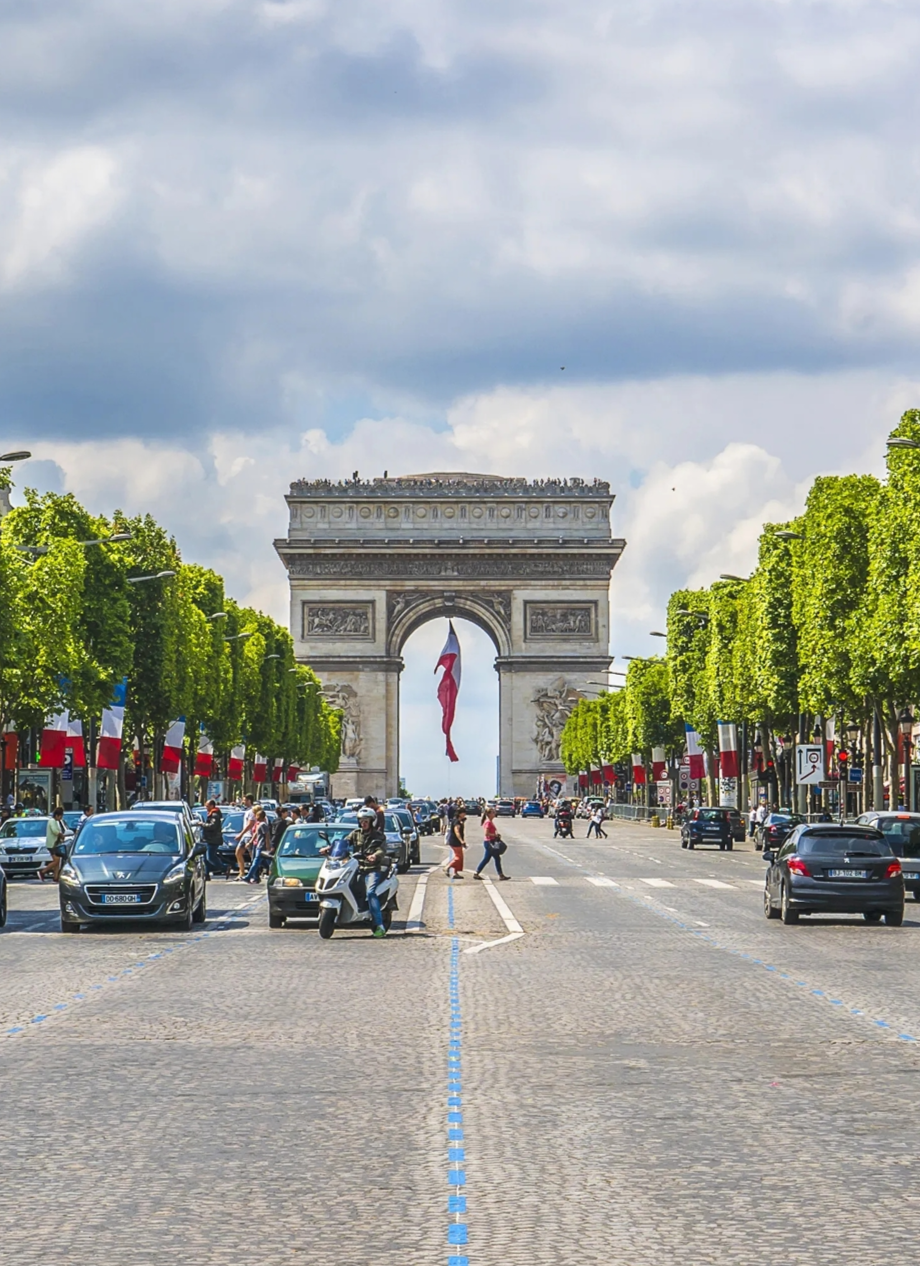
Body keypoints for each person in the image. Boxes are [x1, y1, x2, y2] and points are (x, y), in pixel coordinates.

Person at [345, 806, 390, 937]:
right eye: (361, 821)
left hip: (371, 869)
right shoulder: (355, 833)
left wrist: (375, 856)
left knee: (370, 892)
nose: (363, 823)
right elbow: (344, 842)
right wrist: (330, 848)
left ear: (372, 822)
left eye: (366, 821)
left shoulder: (379, 836)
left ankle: (379, 924)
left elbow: (382, 849)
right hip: (356, 868)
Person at [474, 807, 509, 880]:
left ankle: (476, 873)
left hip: (493, 842)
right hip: (490, 842)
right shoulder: (488, 822)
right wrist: (495, 835)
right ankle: (501, 875)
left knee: (487, 859)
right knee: (497, 858)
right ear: (489, 814)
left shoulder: (490, 821)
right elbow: (486, 833)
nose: (494, 813)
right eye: (493, 812)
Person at [245, 806, 275, 883]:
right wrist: (251, 842)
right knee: (268, 862)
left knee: (256, 862)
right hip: (259, 845)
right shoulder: (259, 824)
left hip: (262, 846)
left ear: (261, 817)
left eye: (257, 816)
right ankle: (274, 873)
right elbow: (256, 834)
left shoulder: (263, 824)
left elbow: (267, 835)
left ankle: (248, 876)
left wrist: (268, 845)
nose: (255, 817)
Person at [38, 806, 67, 882]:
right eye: (60, 816)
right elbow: (55, 831)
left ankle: (56, 877)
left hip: (55, 844)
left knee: (58, 861)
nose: (61, 818)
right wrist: (61, 835)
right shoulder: (52, 821)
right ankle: (43, 871)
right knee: (56, 861)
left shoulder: (56, 822)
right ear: (57, 815)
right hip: (52, 845)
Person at [201, 799, 226, 877]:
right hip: (208, 839)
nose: (206, 808)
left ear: (212, 806)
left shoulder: (214, 815)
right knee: (205, 859)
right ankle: (206, 874)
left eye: (207, 806)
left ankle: (224, 867)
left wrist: (202, 824)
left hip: (213, 839)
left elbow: (212, 826)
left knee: (210, 857)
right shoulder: (211, 814)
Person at [234, 795, 256, 879]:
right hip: (245, 836)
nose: (243, 802)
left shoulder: (252, 811)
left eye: (245, 800)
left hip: (249, 836)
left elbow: (250, 824)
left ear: (249, 801)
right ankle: (241, 872)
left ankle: (254, 873)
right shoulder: (247, 811)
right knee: (238, 853)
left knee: (252, 856)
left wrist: (240, 834)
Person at [446, 809, 466, 878]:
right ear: (460, 814)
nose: (465, 815)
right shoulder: (456, 821)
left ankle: (455, 872)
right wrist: (461, 841)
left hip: (456, 841)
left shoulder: (459, 821)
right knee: (458, 857)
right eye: (463, 813)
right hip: (455, 841)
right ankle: (447, 867)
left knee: (460, 857)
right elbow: (457, 831)